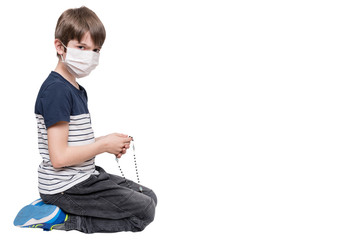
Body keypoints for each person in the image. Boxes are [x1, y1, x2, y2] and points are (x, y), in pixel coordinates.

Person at [13, 6, 157, 233]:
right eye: (82, 47)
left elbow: (72, 143)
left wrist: (109, 141)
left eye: (96, 50)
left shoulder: (75, 88)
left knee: (149, 196)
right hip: (66, 186)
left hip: (84, 175)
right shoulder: (56, 91)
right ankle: (63, 218)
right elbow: (59, 158)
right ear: (60, 47)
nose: (90, 56)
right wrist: (102, 145)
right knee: (145, 210)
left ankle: (61, 209)